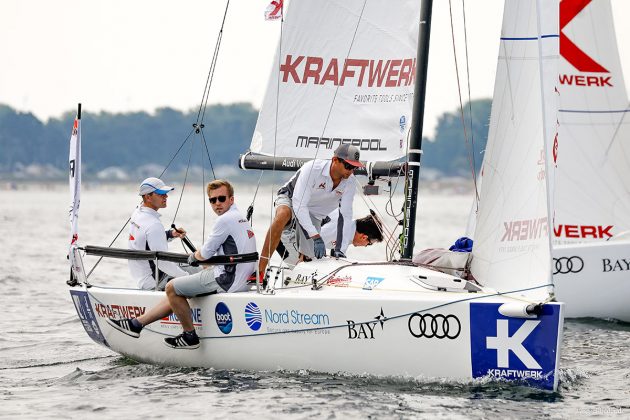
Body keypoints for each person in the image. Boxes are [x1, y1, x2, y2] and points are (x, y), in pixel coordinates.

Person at [107, 180, 257, 349]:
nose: (217, 204)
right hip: (241, 276)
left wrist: (192, 263)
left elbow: (203, 254)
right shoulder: (240, 218)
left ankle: (189, 336)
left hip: (227, 279)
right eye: (212, 200)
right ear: (147, 197)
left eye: (221, 199)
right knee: (187, 279)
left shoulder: (224, 221)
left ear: (231, 199)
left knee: (172, 288)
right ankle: (136, 324)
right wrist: (180, 244)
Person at [258, 144, 363, 277]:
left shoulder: (350, 182)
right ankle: (259, 271)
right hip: (291, 199)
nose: (351, 171)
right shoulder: (313, 169)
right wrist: (315, 236)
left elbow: (346, 215)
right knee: (283, 215)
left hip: (315, 215)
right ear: (335, 160)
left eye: (354, 167)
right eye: (348, 166)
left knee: (308, 261)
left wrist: (340, 250)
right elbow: (299, 205)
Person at [128, 177, 189, 290]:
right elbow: (162, 263)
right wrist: (187, 278)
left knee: (187, 258)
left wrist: (171, 234)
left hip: (141, 278)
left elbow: (147, 241)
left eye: (165, 193)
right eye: (161, 193)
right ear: (148, 197)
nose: (166, 196)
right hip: (155, 281)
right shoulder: (154, 224)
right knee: (201, 269)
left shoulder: (137, 213)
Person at [278, 211, 384, 265]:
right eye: (369, 243)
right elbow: (310, 242)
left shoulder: (348, 231)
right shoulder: (340, 229)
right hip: (288, 234)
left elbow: (337, 256)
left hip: (300, 237)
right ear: (364, 237)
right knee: (308, 268)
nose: (366, 246)